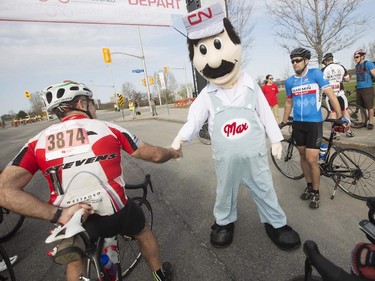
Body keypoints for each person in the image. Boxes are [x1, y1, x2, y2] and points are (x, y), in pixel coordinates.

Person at [0, 81, 181, 281]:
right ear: (82, 103)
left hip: (74, 219)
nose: (94, 107)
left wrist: (58, 214)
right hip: (116, 212)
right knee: (142, 231)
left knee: (75, 259)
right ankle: (159, 274)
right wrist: (172, 152)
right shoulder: (107, 128)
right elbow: (155, 155)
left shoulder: (37, 141)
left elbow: (3, 190)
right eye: (92, 102)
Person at [172, 3, 301, 251]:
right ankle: (224, 222)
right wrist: (180, 138)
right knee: (224, 192)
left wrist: (276, 139)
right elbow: (194, 119)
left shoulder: (250, 85)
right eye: (204, 50)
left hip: (255, 158)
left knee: (265, 189)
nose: (214, 60)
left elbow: (264, 112)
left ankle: (276, 223)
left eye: (218, 45)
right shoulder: (207, 94)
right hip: (226, 161)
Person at [281, 48, 348, 209]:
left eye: (297, 60)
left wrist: (339, 116)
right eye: (292, 61)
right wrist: (283, 122)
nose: (295, 63)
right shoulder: (290, 81)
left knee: (312, 160)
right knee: (303, 157)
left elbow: (331, 95)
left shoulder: (316, 74)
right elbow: (289, 103)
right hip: (298, 124)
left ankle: (316, 193)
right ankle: (309, 186)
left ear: (306, 61)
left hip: (314, 123)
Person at [321, 52, 355, 138]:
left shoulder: (323, 70)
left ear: (325, 61)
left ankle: (337, 133)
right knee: (345, 111)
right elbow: (347, 79)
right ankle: (349, 130)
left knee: (333, 113)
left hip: (330, 95)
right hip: (340, 94)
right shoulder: (341, 67)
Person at [353, 49, 375, 130]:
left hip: (367, 88)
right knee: (361, 107)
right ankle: (364, 122)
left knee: (369, 106)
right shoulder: (357, 66)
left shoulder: (368, 64)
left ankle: (371, 122)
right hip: (359, 89)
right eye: (354, 57)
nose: (355, 59)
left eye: (357, 57)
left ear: (362, 56)